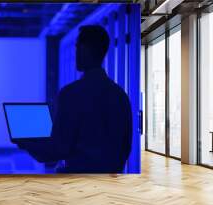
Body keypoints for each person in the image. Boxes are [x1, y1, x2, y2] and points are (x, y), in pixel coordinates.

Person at [15, 25, 132, 173]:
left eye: (77, 46)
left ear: (84, 48)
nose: (75, 52)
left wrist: (25, 143)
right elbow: (126, 147)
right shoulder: (121, 96)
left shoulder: (71, 94)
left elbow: (55, 151)